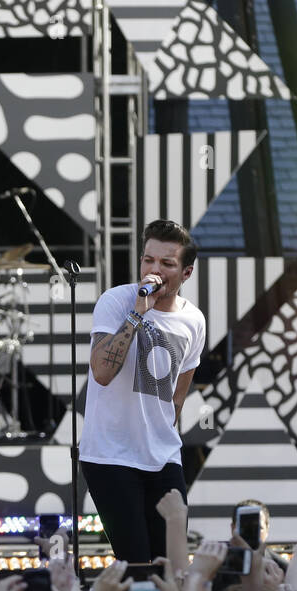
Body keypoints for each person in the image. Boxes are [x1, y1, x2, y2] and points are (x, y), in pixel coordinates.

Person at [80, 219, 205, 562]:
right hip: (111, 455)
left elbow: (177, 396)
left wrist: (157, 432)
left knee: (173, 562)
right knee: (136, 564)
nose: (154, 270)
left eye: (167, 263)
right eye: (148, 260)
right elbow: (102, 372)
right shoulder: (116, 301)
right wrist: (138, 313)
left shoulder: (194, 320)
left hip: (163, 455)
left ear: (186, 273)